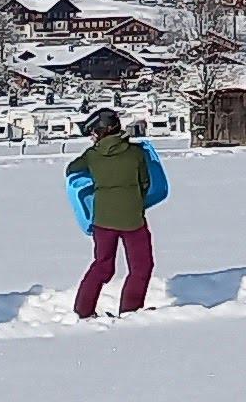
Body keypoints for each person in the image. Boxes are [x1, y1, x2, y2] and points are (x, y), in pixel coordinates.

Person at [64, 108, 168, 318]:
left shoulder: (92, 156)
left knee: (102, 266)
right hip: (133, 220)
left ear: (100, 131)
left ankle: (83, 311)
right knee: (141, 267)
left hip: (102, 221)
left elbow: (71, 169)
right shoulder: (136, 153)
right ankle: (130, 311)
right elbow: (146, 183)